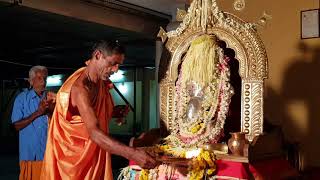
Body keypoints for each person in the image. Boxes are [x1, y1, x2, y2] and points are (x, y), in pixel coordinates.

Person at [41, 40, 158, 180]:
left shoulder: (100, 82)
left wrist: (114, 112)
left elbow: (91, 113)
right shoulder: (80, 89)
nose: (116, 69)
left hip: (95, 155)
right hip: (74, 162)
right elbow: (94, 132)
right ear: (97, 55)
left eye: (119, 65)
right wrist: (131, 153)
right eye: (113, 63)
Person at [11, 65, 56, 180]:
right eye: (39, 78)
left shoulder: (51, 98)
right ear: (31, 81)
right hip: (30, 155)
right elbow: (16, 126)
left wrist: (51, 111)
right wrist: (38, 112)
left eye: (45, 78)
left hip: (49, 154)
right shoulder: (21, 99)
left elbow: (58, 123)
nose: (43, 82)